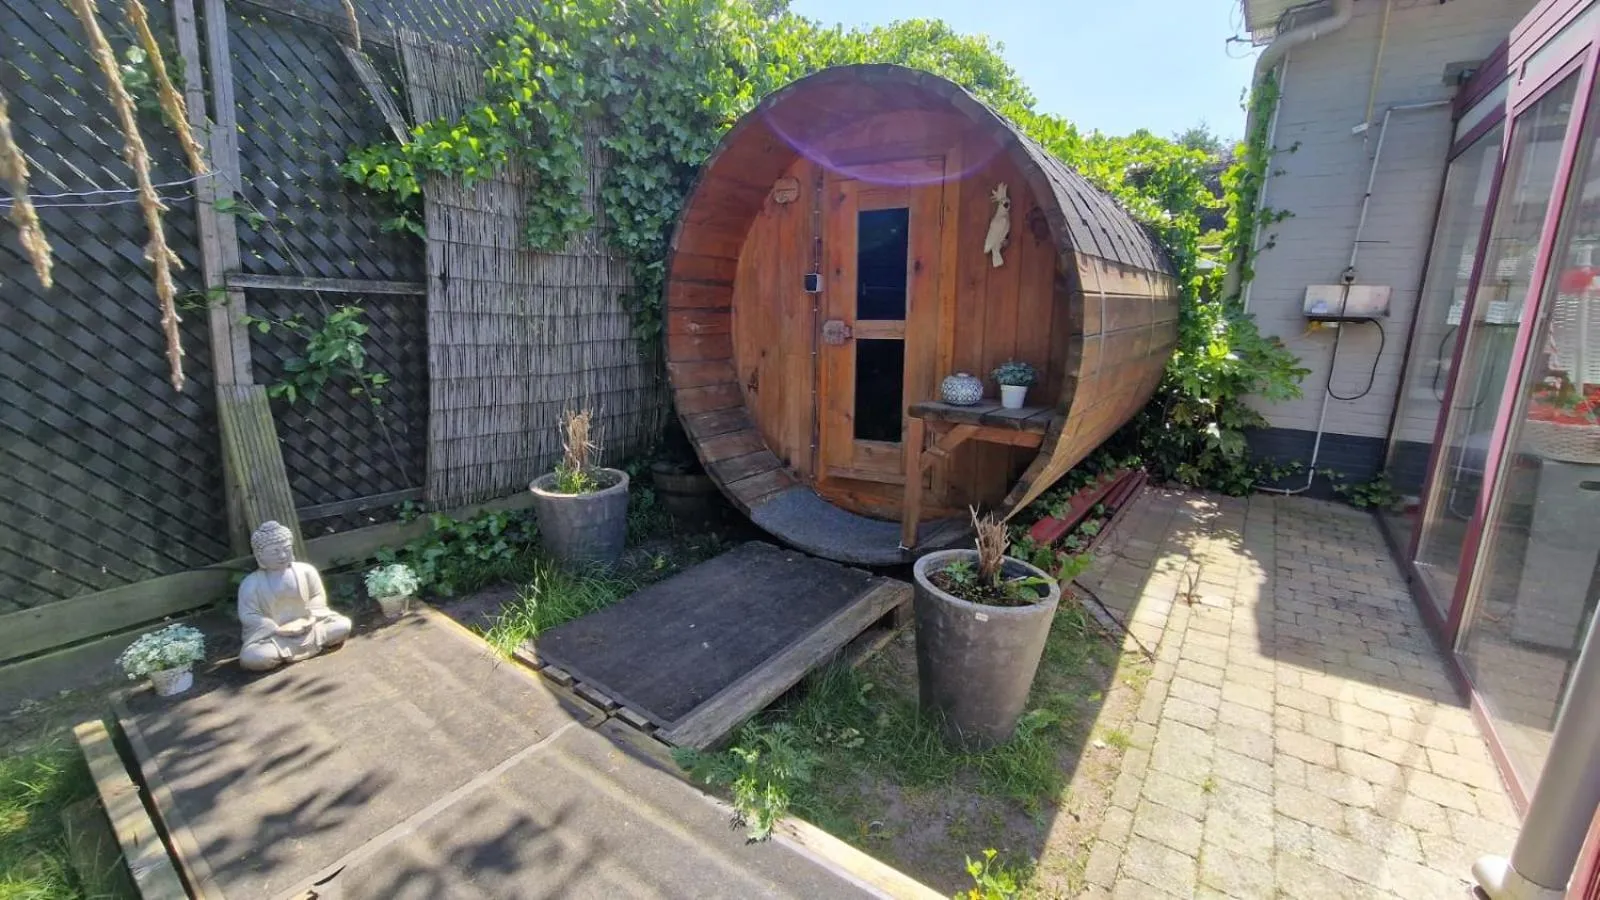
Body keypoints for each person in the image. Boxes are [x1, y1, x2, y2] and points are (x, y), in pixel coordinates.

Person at [237, 521, 351, 671]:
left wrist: (311, 615)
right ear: (260, 555)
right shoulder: (251, 583)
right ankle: (281, 653)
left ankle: (299, 649)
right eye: (274, 552)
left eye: (286, 549)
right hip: (275, 637)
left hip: (311, 629)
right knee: (253, 657)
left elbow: (317, 596)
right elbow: (248, 614)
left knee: (343, 625)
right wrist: (273, 627)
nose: (282, 555)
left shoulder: (306, 571)